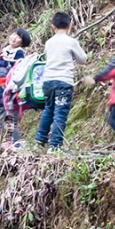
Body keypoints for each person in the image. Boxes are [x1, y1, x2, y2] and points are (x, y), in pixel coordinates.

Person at [34, 11, 87, 152]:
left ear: (53, 27)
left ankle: (39, 140)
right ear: (70, 25)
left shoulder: (49, 42)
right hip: (63, 81)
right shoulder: (72, 42)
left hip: (48, 81)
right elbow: (83, 59)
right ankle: (55, 145)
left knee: (48, 109)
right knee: (60, 112)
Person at [2, 28, 31, 143]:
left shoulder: (19, 52)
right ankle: (5, 140)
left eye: (18, 37)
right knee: (3, 115)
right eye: (14, 34)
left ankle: (12, 141)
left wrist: (6, 60)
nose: (14, 37)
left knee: (11, 115)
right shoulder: (4, 49)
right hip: (1, 85)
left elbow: (19, 67)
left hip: (12, 87)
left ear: (22, 43)